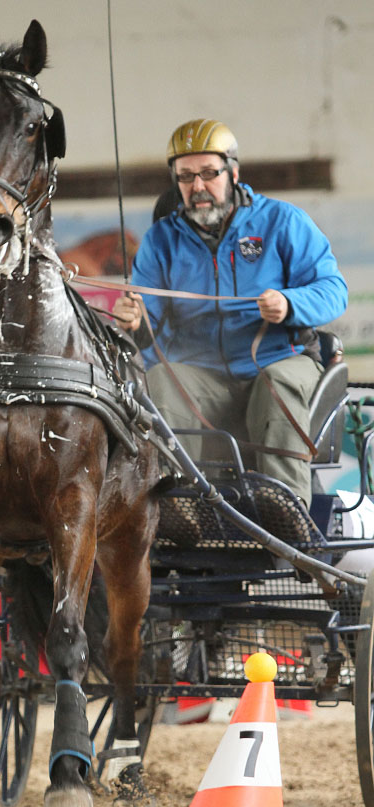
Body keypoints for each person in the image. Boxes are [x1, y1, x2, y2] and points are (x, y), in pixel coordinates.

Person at [112, 118, 348, 515]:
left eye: (208, 173)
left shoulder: (282, 222)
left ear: (233, 172)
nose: (197, 186)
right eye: (185, 177)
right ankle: (176, 508)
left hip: (279, 361)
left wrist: (289, 304)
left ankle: (284, 507)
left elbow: (333, 290)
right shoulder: (160, 240)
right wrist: (133, 320)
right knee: (160, 379)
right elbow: (147, 318)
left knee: (278, 384)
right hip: (202, 376)